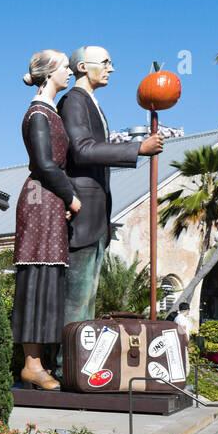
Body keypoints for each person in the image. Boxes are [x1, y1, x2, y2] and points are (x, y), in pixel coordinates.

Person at [58, 46, 164, 326]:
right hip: (81, 213)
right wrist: (138, 148)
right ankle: (66, 364)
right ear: (82, 66)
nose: (111, 68)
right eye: (105, 62)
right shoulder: (73, 101)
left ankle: (77, 361)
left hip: (96, 216)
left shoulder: (91, 102)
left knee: (87, 300)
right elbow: (81, 150)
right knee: (76, 300)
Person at [12, 50, 80, 390]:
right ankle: (32, 365)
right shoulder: (38, 113)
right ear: (51, 71)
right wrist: (71, 196)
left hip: (49, 201)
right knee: (38, 277)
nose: (69, 72)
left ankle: (40, 363)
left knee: (49, 276)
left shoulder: (50, 111)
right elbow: (44, 163)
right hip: (40, 201)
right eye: (66, 67)